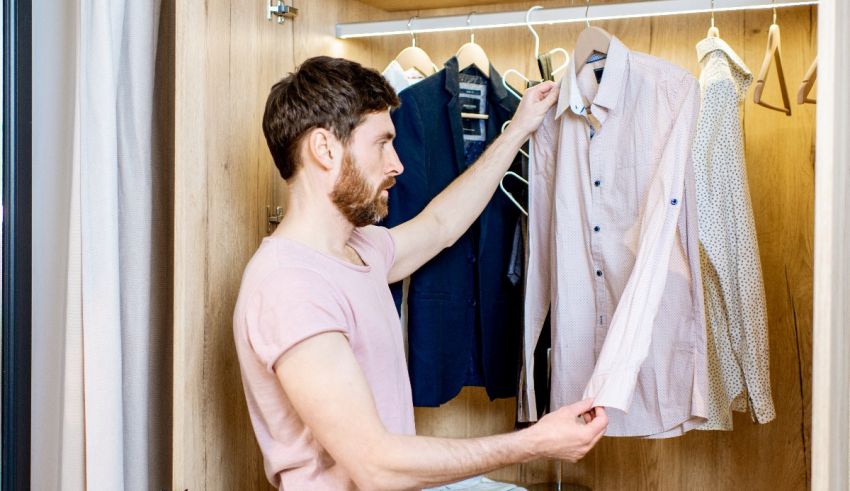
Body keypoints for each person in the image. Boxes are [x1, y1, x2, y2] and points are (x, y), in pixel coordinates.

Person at [233, 56, 608, 491]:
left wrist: (519, 128)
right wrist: (535, 442)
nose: (397, 164)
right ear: (325, 148)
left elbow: (440, 225)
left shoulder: (359, 249)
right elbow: (375, 465)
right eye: (381, 143)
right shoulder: (290, 287)